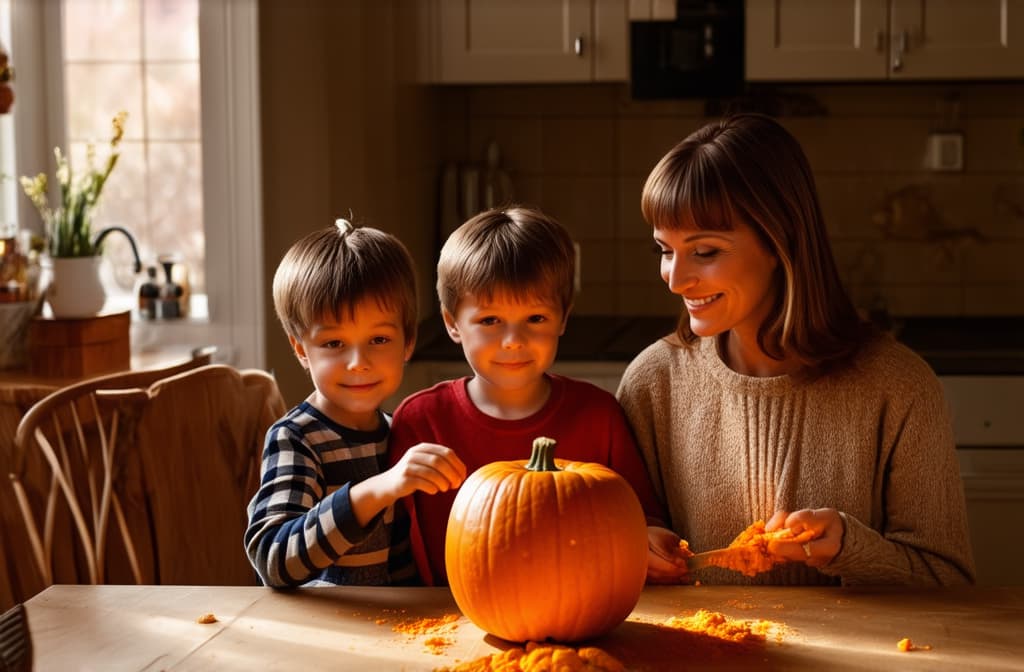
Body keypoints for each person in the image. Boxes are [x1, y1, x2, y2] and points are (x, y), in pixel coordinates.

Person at [618, 113, 976, 586]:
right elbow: (615, 566)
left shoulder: (900, 387)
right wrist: (634, 546)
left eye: (705, 252)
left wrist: (850, 546)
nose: (676, 279)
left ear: (779, 239)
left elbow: (950, 582)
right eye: (665, 250)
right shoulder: (651, 384)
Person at [388, 206, 671, 587]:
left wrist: (652, 542)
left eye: (535, 319)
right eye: (490, 321)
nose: (513, 341)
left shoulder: (597, 415)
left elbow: (641, 518)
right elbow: (392, 546)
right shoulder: (420, 421)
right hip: (446, 624)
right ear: (452, 323)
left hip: (581, 617)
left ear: (563, 318)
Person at [245, 220, 466, 587]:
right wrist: (378, 489)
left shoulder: (402, 431)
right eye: (334, 344)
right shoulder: (296, 439)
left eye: (379, 339)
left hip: (398, 634)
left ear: (408, 341)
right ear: (301, 348)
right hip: (323, 635)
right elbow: (273, 560)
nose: (358, 362)